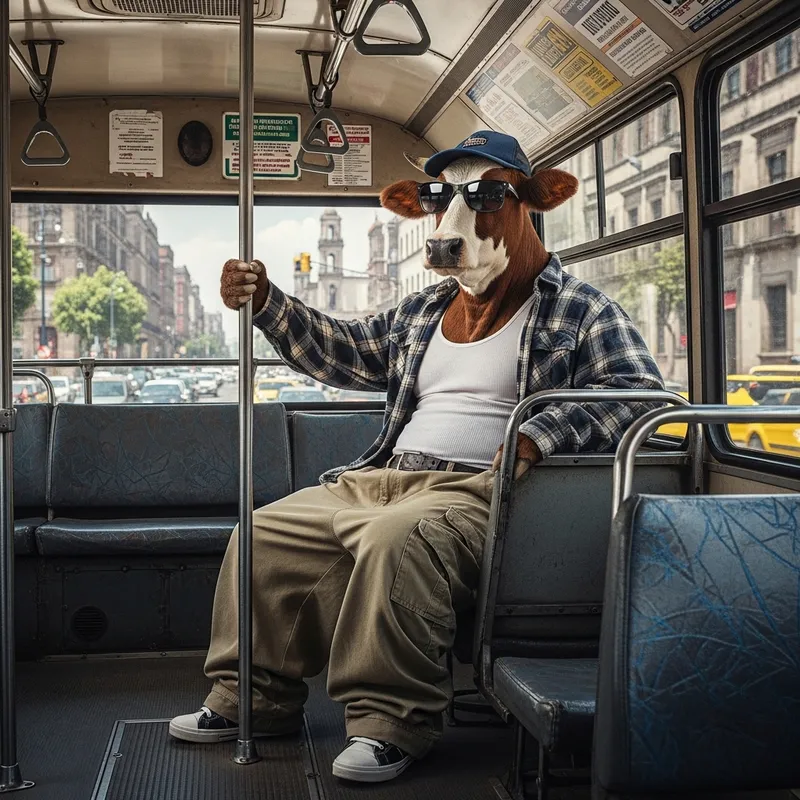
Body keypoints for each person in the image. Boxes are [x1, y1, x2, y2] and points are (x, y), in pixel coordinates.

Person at [169, 131, 664, 783]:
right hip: (382, 478)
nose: (457, 217)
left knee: (396, 540)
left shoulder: (578, 309)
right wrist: (269, 305)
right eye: (441, 199)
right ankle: (252, 701)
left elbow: (641, 396)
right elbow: (345, 351)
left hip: (479, 491)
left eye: (488, 196)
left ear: (529, 203)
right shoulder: (427, 308)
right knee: (262, 533)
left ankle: (390, 721)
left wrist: (539, 433)